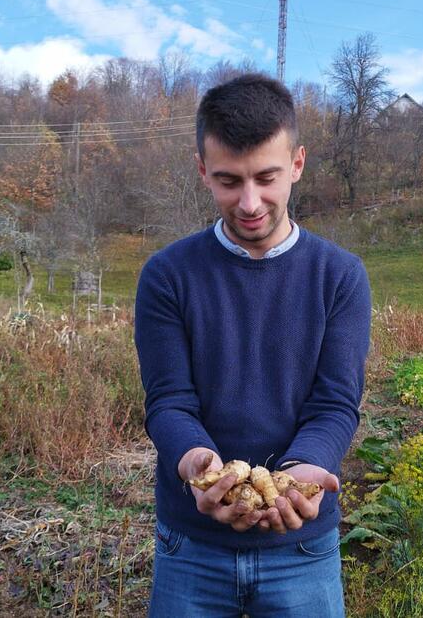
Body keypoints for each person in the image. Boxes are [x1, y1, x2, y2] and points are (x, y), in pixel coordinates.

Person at [134, 73, 372, 617]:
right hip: (191, 545)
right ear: (202, 170)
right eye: (228, 180)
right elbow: (168, 401)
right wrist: (197, 465)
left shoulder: (340, 276)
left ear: (297, 163)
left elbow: (335, 403)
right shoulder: (168, 275)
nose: (249, 202)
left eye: (266, 177)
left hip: (302, 547)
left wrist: (304, 468)